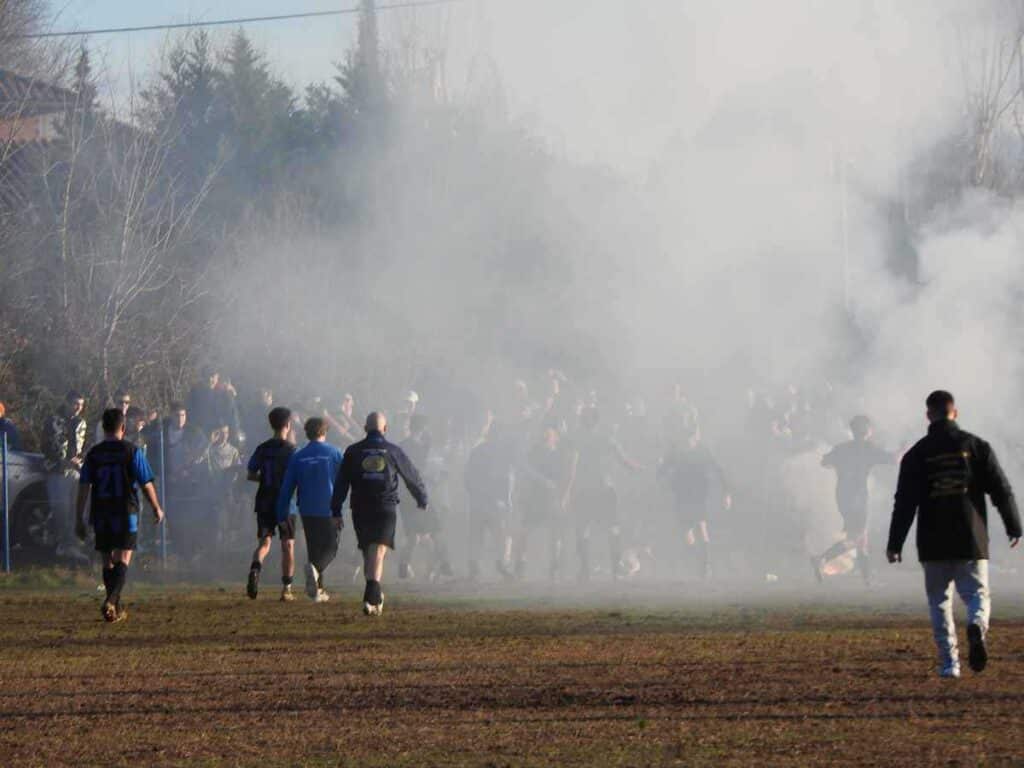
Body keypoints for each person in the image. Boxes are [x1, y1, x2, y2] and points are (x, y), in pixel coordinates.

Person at [887, 391, 1021, 679]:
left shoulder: (916, 454)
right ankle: (975, 624)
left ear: (928, 415)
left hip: (932, 540)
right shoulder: (976, 446)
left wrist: (894, 543)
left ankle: (950, 664)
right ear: (954, 413)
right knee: (977, 594)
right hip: (971, 537)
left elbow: (905, 501)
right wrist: (1014, 525)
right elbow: (1001, 490)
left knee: (939, 601)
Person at [331, 412, 428, 616]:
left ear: (365, 428)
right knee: (376, 551)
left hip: (360, 507)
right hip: (385, 506)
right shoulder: (393, 450)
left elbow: (341, 483)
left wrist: (336, 509)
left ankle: (373, 596)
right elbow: (411, 474)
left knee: (371, 549)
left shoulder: (353, 451)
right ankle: (373, 593)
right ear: (385, 429)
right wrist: (421, 497)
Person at [74, 408, 164, 623]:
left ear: (104, 428)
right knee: (123, 558)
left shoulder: (94, 454)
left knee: (107, 560)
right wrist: (156, 507)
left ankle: (114, 605)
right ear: (123, 428)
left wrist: (79, 517)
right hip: (126, 511)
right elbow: (146, 483)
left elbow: (84, 487)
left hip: (101, 511)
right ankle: (112, 601)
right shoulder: (132, 451)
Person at [811, 415, 895, 585]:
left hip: (843, 495)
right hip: (858, 497)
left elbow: (824, 462)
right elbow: (894, 460)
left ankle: (867, 580)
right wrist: (904, 449)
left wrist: (840, 467)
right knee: (857, 538)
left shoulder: (843, 448)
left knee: (861, 538)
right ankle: (822, 558)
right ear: (867, 430)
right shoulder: (867, 448)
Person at [571, 407, 643, 582]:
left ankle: (586, 571)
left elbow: (569, 467)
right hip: (603, 488)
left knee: (585, 530)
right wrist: (637, 467)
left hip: (587, 490)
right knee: (610, 529)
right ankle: (613, 570)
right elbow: (624, 460)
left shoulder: (577, 440)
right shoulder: (605, 439)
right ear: (597, 421)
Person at [276, 417, 344, 603]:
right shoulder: (334, 453)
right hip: (329, 508)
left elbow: (287, 486)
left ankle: (318, 591)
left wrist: (281, 512)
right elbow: (345, 480)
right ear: (324, 432)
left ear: (307, 433)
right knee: (331, 547)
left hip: (306, 509)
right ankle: (315, 571)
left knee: (314, 548)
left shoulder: (298, 456)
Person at [656, 425, 731, 580]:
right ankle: (698, 561)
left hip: (698, 494)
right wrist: (661, 471)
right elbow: (662, 471)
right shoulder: (676, 452)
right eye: (686, 437)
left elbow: (719, 470)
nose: (688, 440)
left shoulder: (703, 451)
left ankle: (705, 568)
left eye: (691, 436)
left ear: (696, 437)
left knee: (701, 526)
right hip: (682, 495)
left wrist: (726, 493)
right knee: (686, 532)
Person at [512, 422, 576, 581]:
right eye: (544, 433)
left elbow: (567, 475)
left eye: (549, 433)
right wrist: (539, 482)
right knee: (525, 531)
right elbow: (526, 470)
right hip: (536, 498)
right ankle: (520, 565)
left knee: (555, 534)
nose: (546, 436)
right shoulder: (535, 451)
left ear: (556, 436)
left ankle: (554, 568)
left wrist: (564, 496)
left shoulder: (561, 454)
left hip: (554, 498)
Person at [246, 407, 297, 601]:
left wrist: (266, 478)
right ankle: (287, 589)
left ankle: (255, 568)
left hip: (265, 499)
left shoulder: (263, 448)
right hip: (286, 503)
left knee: (264, 542)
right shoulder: (293, 450)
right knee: (288, 545)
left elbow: (250, 474)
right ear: (287, 425)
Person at [397, 413, 453, 580]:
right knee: (434, 531)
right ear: (423, 428)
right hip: (416, 497)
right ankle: (445, 565)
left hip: (410, 496)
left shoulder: (406, 446)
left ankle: (404, 566)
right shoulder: (417, 447)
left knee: (415, 535)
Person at [464, 422, 515, 580]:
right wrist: (507, 500)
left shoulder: (477, 451)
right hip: (493, 501)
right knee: (500, 535)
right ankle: (501, 564)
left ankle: (475, 566)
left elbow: (467, 477)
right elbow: (506, 478)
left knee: (478, 535)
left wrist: (473, 494)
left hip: (480, 500)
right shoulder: (501, 453)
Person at [43, 391, 88, 559]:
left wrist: (79, 460)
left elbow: (82, 446)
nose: (78, 408)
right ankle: (61, 545)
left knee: (77, 510)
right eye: (76, 404)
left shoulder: (81, 422)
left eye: (81, 405)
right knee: (60, 508)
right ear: (67, 402)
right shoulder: (53, 420)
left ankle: (73, 546)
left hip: (75, 471)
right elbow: (45, 446)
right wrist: (60, 460)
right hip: (57, 470)